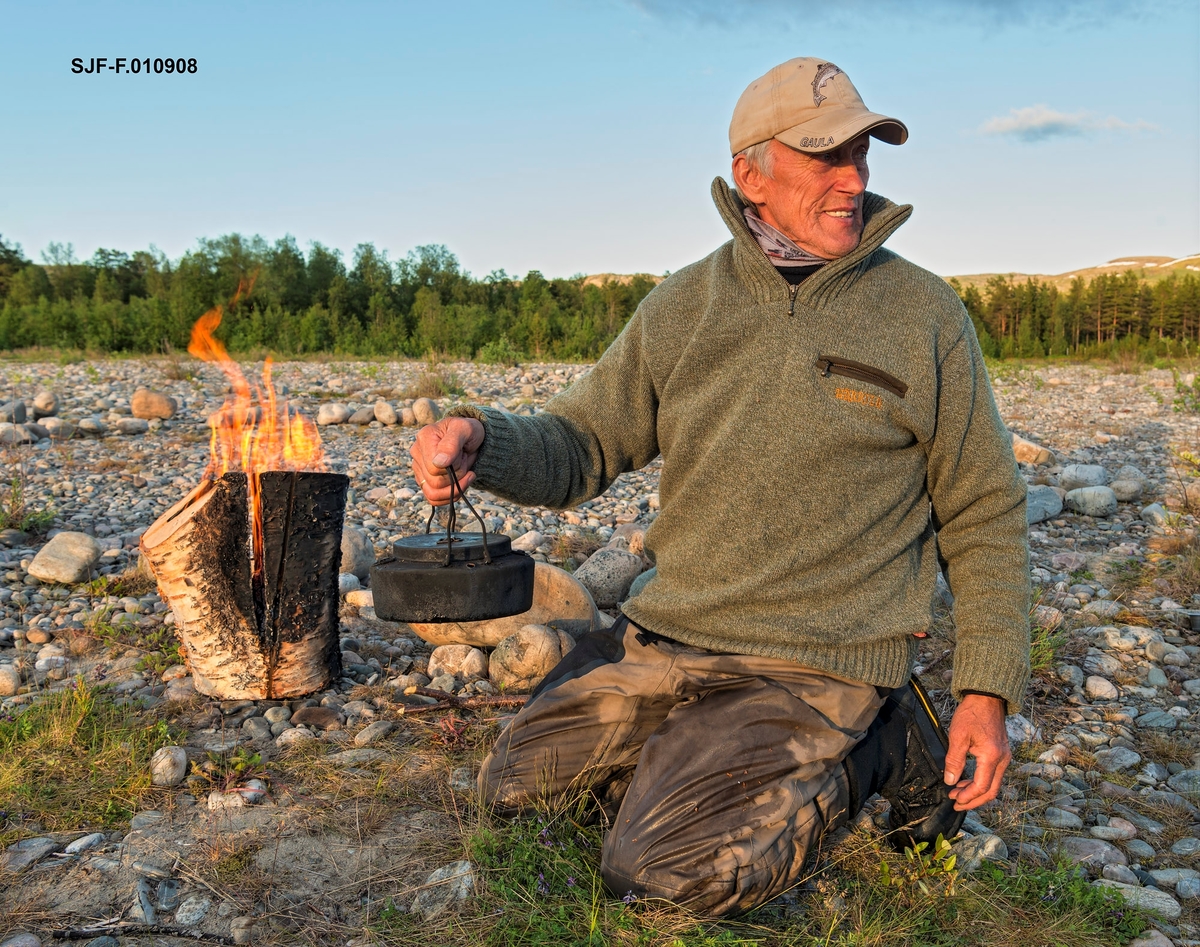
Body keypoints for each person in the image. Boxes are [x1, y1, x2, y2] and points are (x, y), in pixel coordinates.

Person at [410, 57, 1030, 916]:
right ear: (752, 174)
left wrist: (987, 689)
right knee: (510, 792)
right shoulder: (683, 304)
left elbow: (983, 506)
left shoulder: (924, 314)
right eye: (826, 158)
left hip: (812, 660)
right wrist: (484, 438)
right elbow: (583, 442)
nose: (854, 180)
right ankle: (691, 749)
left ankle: (881, 741)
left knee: (663, 875)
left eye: (862, 154)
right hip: (668, 637)